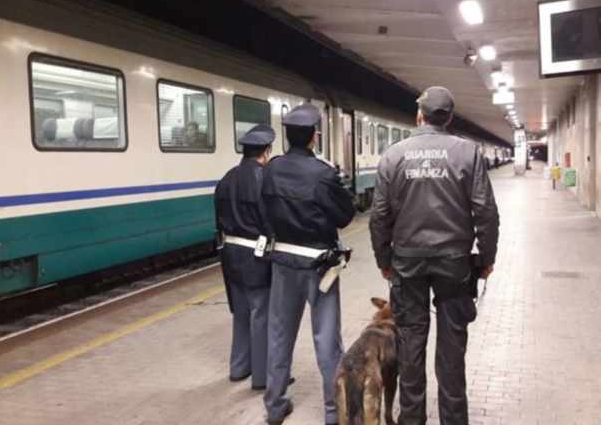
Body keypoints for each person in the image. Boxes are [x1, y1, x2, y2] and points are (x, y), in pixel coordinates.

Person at [369, 87, 500, 425]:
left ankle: (411, 420)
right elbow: (485, 211)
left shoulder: (393, 155)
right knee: (452, 350)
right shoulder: (467, 153)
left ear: (419, 115)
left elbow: (380, 215)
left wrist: (384, 260)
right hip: (455, 263)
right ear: (450, 118)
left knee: (411, 345)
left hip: (408, 263)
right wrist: (486, 257)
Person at [262, 103, 356, 425]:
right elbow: (345, 215)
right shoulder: (323, 173)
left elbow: (264, 213)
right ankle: (334, 413)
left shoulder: (271, 169)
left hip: (283, 263)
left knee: (279, 334)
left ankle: (275, 405)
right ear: (315, 137)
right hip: (320, 266)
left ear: (287, 136)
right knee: (327, 339)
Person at [214, 124, 276, 390]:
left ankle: (239, 368)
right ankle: (263, 377)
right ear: (266, 151)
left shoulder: (226, 178)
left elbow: (217, 220)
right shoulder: (264, 179)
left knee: (240, 312)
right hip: (256, 254)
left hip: (230, 253)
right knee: (260, 313)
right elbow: (270, 221)